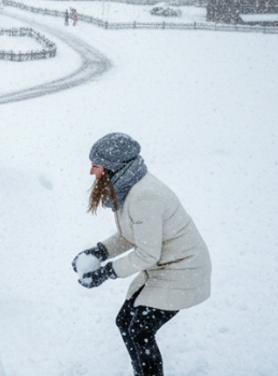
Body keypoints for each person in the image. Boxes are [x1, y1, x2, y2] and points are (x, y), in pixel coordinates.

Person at [73, 133, 212, 376]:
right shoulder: (129, 188)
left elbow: (146, 254)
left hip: (183, 271)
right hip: (163, 267)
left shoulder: (144, 195)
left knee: (140, 331)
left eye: (96, 166)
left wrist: (105, 273)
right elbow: (132, 236)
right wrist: (100, 251)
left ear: (114, 168)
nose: (92, 173)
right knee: (125, 323)